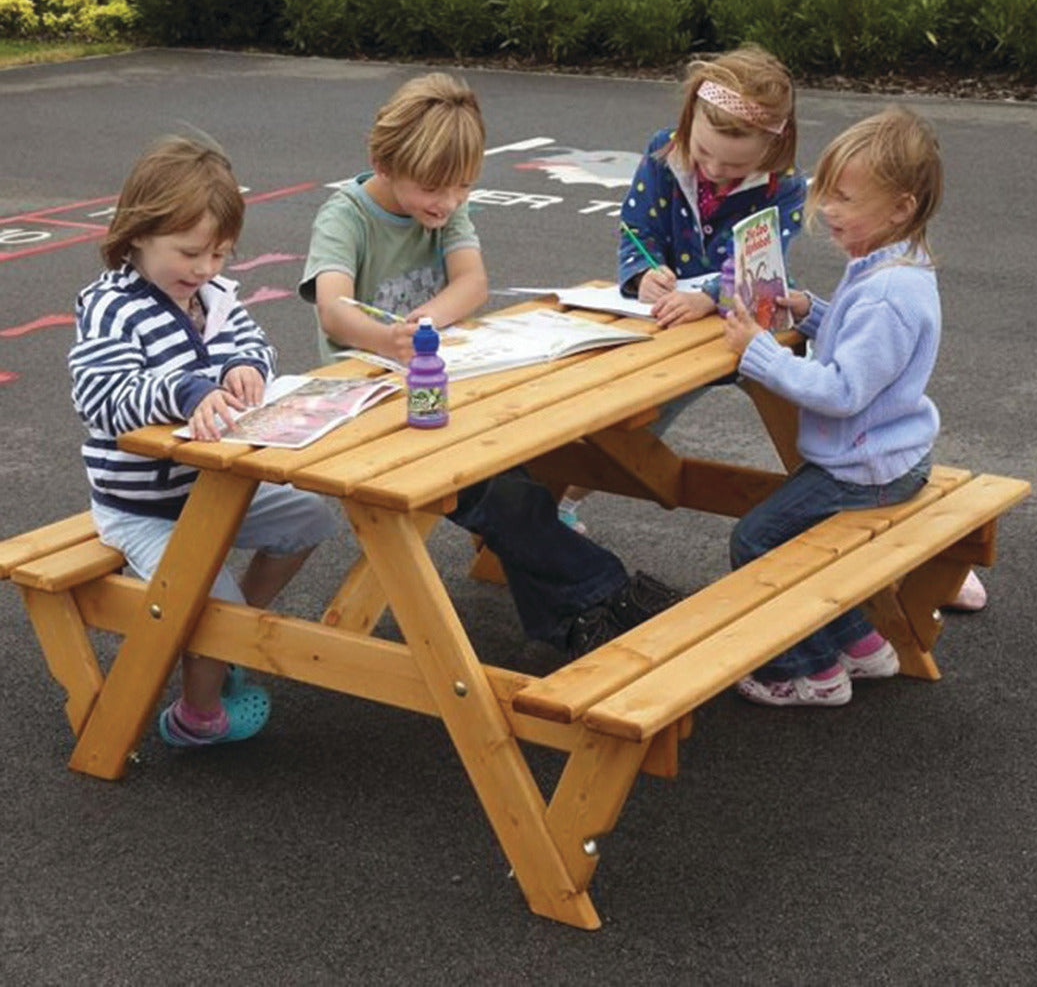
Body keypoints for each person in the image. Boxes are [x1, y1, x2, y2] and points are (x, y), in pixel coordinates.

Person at [298, 71, 680, 659]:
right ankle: (604, 591)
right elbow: (333, 306)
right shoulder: (345, 215)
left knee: (513, 481)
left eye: (463, 189)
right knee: (501, 494)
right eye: (433, 189)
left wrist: (422, 324)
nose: (448, 203)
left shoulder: (443, 207)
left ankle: (566, 624)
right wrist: (385, 338)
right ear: (382, 161)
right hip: (370, 403)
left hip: (436, 387)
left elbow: (473, 282)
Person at [69, 135, 338, 746]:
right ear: (137, 233)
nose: (206, 269)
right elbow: (103, 396)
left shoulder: (213, 296)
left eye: (220, 254)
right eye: (191, 253)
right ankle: (198, 717)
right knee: (207, 608)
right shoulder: (111, 307)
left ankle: (231, 630)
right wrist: (186, 389)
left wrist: (247, 366)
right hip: (143, 507)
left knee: (310, 517)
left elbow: (254, 345)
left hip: (210, 487)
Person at [722, 104, 945, 707]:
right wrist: (810, 310)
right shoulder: (892, 269)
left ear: (901, 208)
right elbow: (866, 349)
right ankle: (864, 645)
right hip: (888, 456)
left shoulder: (887, 295)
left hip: (867, 468)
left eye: (846, 199)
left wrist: (762, 353)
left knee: (757, 540)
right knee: (795, 531)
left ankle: (810, 670)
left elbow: (844, 391)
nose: (828, 211)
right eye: (828, 194)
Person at [559, 43, 806, 533]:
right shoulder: (662, 152)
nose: (713, 169)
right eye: (704, 153)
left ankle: (840, 506)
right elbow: (636, 228)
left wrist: (708, 295)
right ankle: (560, 500)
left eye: (733, 167)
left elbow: (759, 262)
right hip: (670, 324)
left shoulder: (786, 186)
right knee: (633, 421)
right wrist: (643, 272)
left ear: (772, 150)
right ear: (689, 119)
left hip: (750, 323)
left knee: (806, 426)